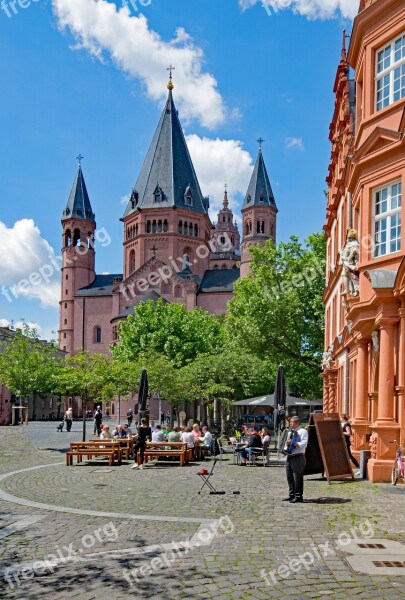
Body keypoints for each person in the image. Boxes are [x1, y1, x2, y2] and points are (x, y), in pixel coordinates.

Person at [283, 416, 308, 503]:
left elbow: (304, 444)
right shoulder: (290, 432)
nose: (290, 424)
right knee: (289, 476)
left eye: (292, 422)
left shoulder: (302, 431)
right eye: (290, 422)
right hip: (290, 456)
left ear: (297, 423)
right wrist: (285, 446)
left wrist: (293, 443)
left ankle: (298, 496)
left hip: (298, 456)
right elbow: (287, 443)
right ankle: (291, 494)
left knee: (297, 478)